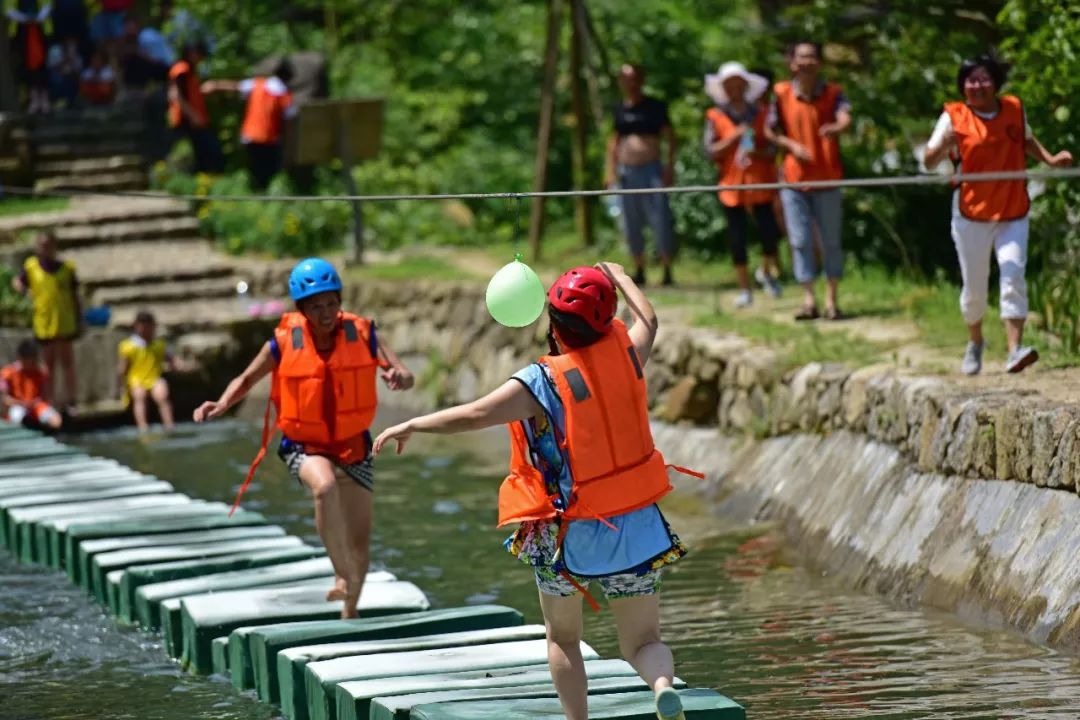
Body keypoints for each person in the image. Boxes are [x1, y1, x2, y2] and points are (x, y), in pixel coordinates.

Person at [374, 263, 694, 720]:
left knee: (563, 637)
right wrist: (619, 276)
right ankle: (662, 684)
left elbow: (471, 415)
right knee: (644, 642)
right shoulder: (628, 356)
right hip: (637, 525)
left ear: (554, 326)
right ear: (604, 322)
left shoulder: (541, 384)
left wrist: (412, 423)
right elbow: (650, 320)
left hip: (568, 534)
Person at [192, 258, 414, 618]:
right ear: (302, 309)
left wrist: (401, 378)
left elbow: (403, 372)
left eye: (331, 303)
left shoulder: (365, 333)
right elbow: (247, 380)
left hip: (353, 444)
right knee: (324, 487)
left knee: (359, 543)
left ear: (339, 301)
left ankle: (349, 612)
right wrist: (222, 402)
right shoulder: (282, 342)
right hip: (303, 445)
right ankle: (340, 574)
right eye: (315, 306)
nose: (325, 312)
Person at [923, 55, 1072, 375]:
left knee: (1013, 274)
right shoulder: (954, 117)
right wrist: (944, 145)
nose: (977, 86)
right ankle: (975, 341)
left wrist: (1050, 159)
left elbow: (1026, 139)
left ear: (996, 82)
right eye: (971, 80)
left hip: (1012, 209)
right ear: (963, 85)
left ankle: (1014, 349)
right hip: (971, 214)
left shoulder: (1014, 110)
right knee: (975, 288)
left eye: (983, 79)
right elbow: (928, 162)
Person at [767, 41, 852, 321]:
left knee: (831, 241)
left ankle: (831, 300)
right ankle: (808, 300)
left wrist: (836, 127)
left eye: (812, 57)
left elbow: (845, 118)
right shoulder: (780, 94)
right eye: (801, 57)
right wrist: (791, 145)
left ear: (819, 62)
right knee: (800, 240)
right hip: (794, 179)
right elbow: (769, 130)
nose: (806, 62)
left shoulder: (834, 92)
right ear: (792, 62)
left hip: (827, 177)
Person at [704, 61, 783, 309]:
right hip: (731, 186)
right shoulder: (715, 116)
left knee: (770, 234)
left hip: (760, 182)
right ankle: (744, 289)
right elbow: (710, 150)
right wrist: (734, 137)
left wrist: (758, 153)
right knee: (737, 239)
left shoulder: (761, 113)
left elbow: (772, 146)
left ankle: (766, 272)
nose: (735, 88)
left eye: (739, 83)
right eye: (729, 84)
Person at [604, 64, 678, 287]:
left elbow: (670, 138)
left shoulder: (655, 107)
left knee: (660, 218)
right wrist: (611, 171)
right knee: (631, 221)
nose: (630, 83)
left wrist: (669, 167)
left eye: (634, 78)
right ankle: (639, 268)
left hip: (651, 170)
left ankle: (666, 268)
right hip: (627, 173)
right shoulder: (619, 109)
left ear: (641, 80)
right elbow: (614, 142)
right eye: (625, 78)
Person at [12, 231, 80, 412]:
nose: (45, 249)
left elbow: (75, 295)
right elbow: (18, 282)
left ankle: (71, 400)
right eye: (42, 245)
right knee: (48, 364)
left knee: (67, 361)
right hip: (44, 321)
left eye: (48, 245)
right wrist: (26, 292)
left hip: (65, 320)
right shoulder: (31, 267)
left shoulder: (67, 268)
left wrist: (79, 319)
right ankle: (50, 400)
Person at [201, 60, 296, 190]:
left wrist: (215, 85)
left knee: (255, 170)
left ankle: (255, 194)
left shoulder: (258, 84)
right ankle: (263, 197)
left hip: (250, 136)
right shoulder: (285, 94)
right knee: (269, 173)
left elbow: (235, 86)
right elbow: (289, 122)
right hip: (269, 139)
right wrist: (289, 146)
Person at [168, 41, 224, 173]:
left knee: (202, 153)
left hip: (194, 119)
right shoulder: (181, 69)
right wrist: (193, 115)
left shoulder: (190, 70)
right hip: (186, 120)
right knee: (207, 151)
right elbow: (176, 95)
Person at [117, 310, 175, 432]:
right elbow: (123, 369)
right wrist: (122, 387)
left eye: (149, 326)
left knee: (162, 393)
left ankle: (169, 425)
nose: (146, 329)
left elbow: (172, 361)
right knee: (140, 395)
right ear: (136, 327)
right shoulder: (128, 346)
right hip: (136, 379)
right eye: (143, 326)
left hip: (154, 378)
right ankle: (143, 427)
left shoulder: (159, 344)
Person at [1, 340, 62, 430]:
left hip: (36, 405)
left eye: (34, 359)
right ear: (21, 358)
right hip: (17, 406)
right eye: (29, 360)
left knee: (56, 422)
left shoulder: (41, 372)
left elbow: (46, 396)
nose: (32, 363)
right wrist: (22, 403)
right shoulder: (8, 373)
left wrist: (36, 402)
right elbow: (5, 399)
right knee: (15, 418)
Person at [7, 0, 52, 113]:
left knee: (43, 65)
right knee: (26, 66)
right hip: (21, 32)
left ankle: (44, 99)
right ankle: (33, 99)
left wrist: (38, 18)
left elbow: (48, 5)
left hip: (41, 30)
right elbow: (7, 9)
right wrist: (25, 19)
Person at [47, 35, 82, 107]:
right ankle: (56, 100)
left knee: (73, 79)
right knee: (56, 79)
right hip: (56, 74)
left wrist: (72, 59)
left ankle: (70, 102)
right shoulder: (55, 50)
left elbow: (78, 71)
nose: (71, 45)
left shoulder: (76, 52)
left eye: (73, 44)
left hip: (70, 76)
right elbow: (51, 67)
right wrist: (66, 59)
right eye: (69, 43)